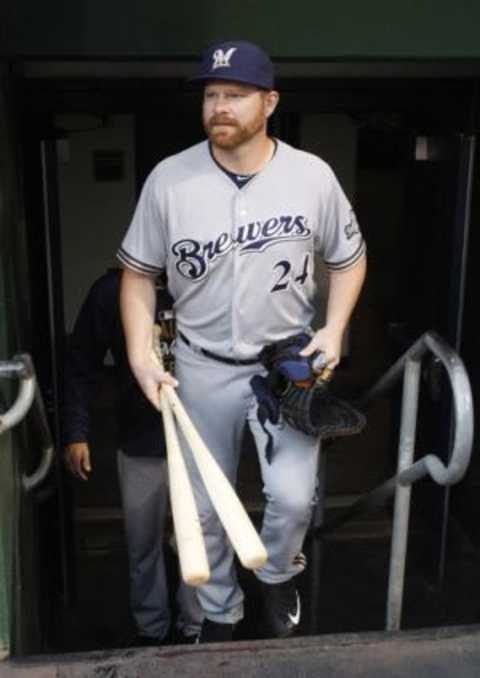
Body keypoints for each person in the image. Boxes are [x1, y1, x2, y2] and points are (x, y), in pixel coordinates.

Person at [116, 40, 367, 643]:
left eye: (235, 94)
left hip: (286, 362)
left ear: (270, 102)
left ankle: (278, 575)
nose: (220, 106)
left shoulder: (312, 177)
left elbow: (350, 259)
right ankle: (221, 617)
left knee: (292, 497)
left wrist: (334, 328)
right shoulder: (170, 179)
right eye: (211, 95)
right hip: (201, 365)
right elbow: (137, 277)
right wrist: (140, 355)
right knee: (202, 512)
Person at [62, 268, 202, 646]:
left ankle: (197, 630)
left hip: (202, 440)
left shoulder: (206, 278)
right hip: (140, 440)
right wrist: (76, 432)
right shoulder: (112, 289)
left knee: (200, 540)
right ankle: (151, 633)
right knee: (143, 544)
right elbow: (81, 363)